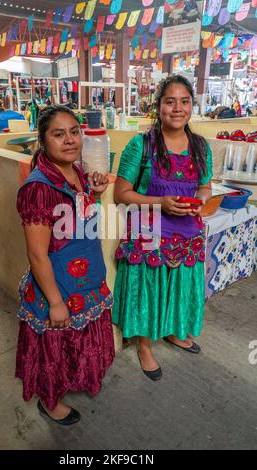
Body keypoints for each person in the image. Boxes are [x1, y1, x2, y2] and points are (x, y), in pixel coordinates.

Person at [16, 105, 115, 425]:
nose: (70, 140)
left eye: (75, 131)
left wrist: (96, 195)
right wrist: (56, 302)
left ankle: (74, 380)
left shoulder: (77, 172)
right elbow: (36, 254)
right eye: (59, 134)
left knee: (78, 344)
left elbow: (82, 222)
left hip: (86, 278)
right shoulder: (39, 188)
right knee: (55, 349)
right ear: (43, 141)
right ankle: (49, 401)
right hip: (58, 285)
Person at [112, 75, 213, 381]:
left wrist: (201, 197)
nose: (177, 108)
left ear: (191, 106)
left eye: (184, 101)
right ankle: (144, 346)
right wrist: (161, 203)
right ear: (159, 106)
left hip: (187, 233)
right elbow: (121, 194)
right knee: (148, 290)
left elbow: (206, 185)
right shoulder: (140, 145)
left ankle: (171, 331)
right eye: (170, 101)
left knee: (178, 288)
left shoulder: (200, 146)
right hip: (148, 234)